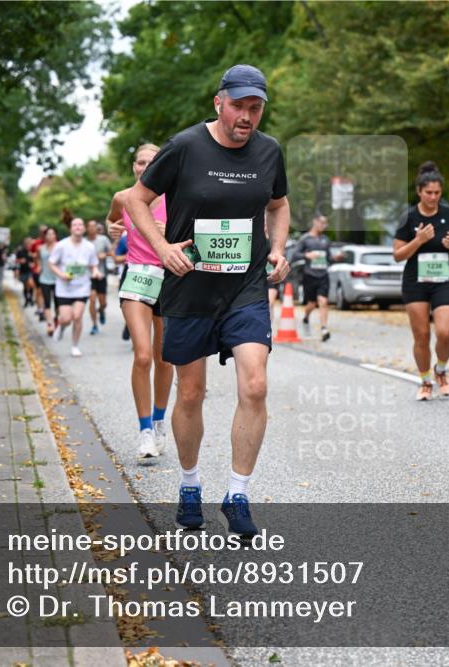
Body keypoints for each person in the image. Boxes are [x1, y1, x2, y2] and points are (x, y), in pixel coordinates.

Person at [122, 64, 290, 537]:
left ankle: (237, 494)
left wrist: (277, 249)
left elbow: (277, 205)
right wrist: (161, 248)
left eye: (255, 108)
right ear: (219, 102)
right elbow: (136, 200)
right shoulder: (184, 146)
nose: (246, 116)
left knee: (255, 386)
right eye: (238, 105)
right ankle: (190, 484)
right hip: (190, 289)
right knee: (191, 393)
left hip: (245, 289)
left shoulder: (270, 151)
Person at [106, 143, 175, 458]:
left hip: (168, 278)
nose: (146, 166)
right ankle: (145, 430)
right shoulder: (123, 198)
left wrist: (169, 232)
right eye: (140, 162)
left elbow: (192, 236)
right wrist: (111, 230)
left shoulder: (173, 198)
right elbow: (113, 223)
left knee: (164, 358)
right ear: (133, 166)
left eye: (152, 161)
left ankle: (160, 422)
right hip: (135, 276)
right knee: (143, 355)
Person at [393, 161, 449, 401]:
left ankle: (441, 369)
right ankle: (425, 382)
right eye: (428, 193)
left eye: (437, 193)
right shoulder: (408, 217)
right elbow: (398, 254)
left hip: (443, 280)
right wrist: (418, 240)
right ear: (419, 191)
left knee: (445, 332)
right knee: (421, 336)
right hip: (415, 282)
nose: (433, 197)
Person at [49, 218, 101, 357]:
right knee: (66, 319)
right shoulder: (61, 245)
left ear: (84, 229)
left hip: (82, 287)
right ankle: (61, 327)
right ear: (70, 228)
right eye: (74, 225)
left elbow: (93, 264)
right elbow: (52, 263)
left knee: (77, 317)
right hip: (64, 287)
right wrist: (61, 275)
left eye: (80, 225)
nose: (77, 227)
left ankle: (75, 346)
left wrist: (95, 271)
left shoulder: (89, 246)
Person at [291, 214, 332, 341]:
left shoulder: (326, 240)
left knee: (323, 301)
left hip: (323, 274)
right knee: (312, 303)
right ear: (314, 222)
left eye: (325, 223)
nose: (323, 225)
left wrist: (337, 257)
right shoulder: (305, 239)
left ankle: (324, 328)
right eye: (321, 222)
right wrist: (307, 255)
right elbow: (295, 255)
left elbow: (329, 258)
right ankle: (306, 318)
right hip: (310, 275)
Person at [86, 220, 112, 334]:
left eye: (94, 226)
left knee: (103, 303)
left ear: (96, 228)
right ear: (87, 228)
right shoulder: (84, 242)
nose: (92, 228)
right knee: (92, 299)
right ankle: (94, 325)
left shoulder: (103, 239)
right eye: (90, 226)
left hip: (101, 274)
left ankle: (101, 310)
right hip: (88, 276)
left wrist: (104, 255)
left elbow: (112, 252)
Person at [37, 227, 59, 336]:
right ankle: (49, 324)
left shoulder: (60, 247)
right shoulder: (40, 248)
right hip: (44, 278)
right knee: (47, 302)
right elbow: (38, 260)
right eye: (48, 234)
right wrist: (39, 267)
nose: (50, 236)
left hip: (58, 280)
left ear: (55, 236)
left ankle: (56, 320)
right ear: (44, 236)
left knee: (58, 304)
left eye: (52, 234)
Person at [14, 236, 35, 307]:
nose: (28, 245)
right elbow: (16, 260)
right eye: (27, 244)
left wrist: (33, 263)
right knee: (25, 286)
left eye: (29, 244)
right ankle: (27, 299)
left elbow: (36, 260)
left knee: (31, 284)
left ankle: (31, 297)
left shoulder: (32, 251)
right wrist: (20, 261)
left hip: (30, 271)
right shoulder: (20, 251)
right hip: (23, 270)